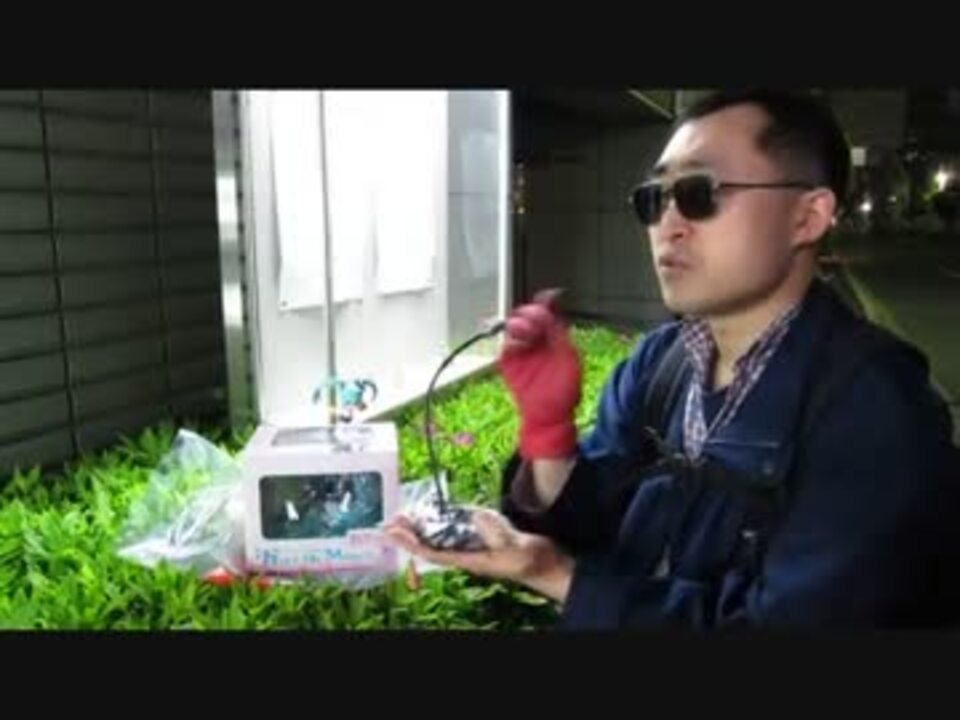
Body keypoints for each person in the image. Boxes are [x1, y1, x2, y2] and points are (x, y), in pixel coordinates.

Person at [385, 89, 960, 629]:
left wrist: (557, 575)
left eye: (699, 194)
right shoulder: (662, 361)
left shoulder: (877, 407)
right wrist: (547, 430)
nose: (667, 225)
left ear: (807, 217)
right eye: (654, 199)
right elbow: (592, 520)